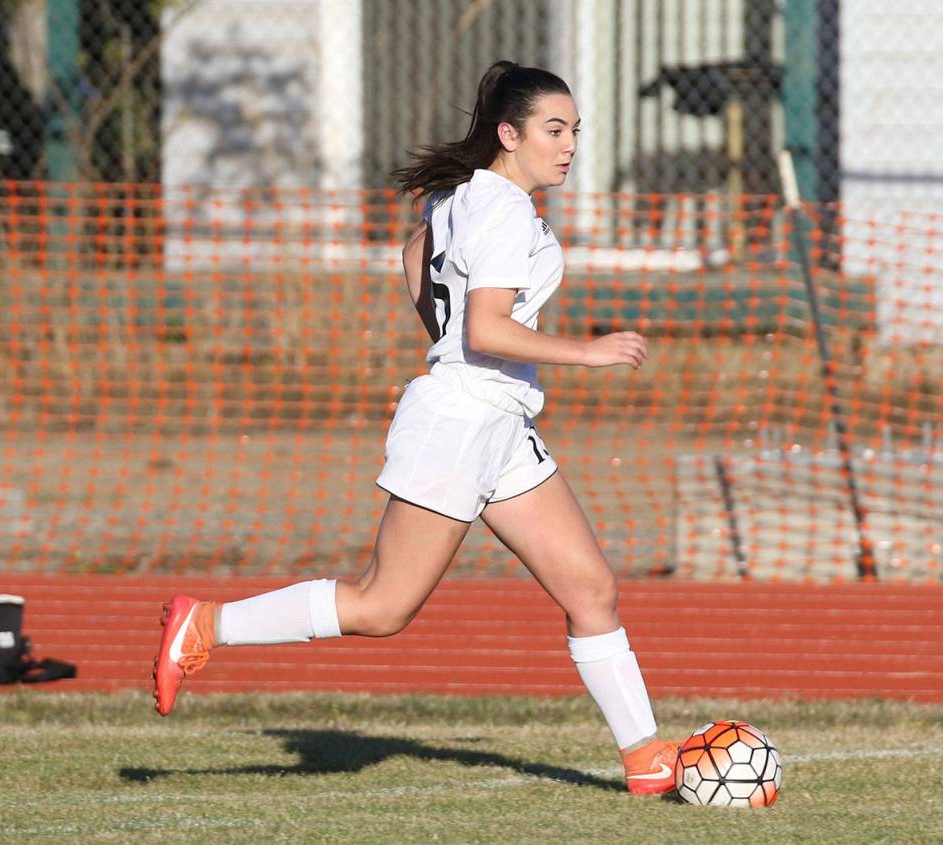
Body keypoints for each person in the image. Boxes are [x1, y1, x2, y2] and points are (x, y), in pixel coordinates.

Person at [153, 60, 679, 795]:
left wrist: (449, 337)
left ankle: (645, 758)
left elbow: (415, 255)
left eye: (574, 131)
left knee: (591, 588)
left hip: (498, 420)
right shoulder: (500, 209)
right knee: (381, 606)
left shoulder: (466, 196)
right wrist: (586, 351)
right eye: (553, 130)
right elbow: (486, 329)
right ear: (509, 134)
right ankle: (206, 623)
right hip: (462, 420)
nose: (568, 145)